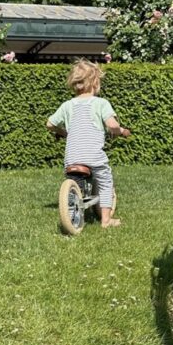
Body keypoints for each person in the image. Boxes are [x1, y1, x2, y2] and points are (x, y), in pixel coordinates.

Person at [46, 59, 131, 228]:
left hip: (72, 158)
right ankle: (106, 220)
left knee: (75, 182)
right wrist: (120, 131)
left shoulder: (67, 105)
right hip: (93, 157)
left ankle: (73, 206)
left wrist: (64, 133)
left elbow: (50, 124)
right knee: (105, 180)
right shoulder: (100, 103)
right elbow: (112, 125)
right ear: (95, 83)